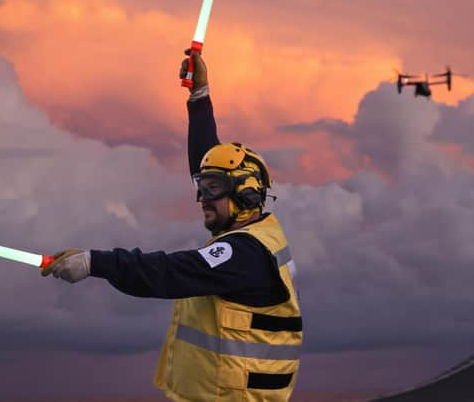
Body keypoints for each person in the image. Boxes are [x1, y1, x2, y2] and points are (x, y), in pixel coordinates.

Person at [41, 50, 302, 402]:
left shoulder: (244, 254)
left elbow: (168, 272)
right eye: (201, 187)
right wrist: (199, 98)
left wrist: (95, 262)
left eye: (213, 189)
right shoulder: (256, 235)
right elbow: (207, 161)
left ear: (247, 194)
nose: (202, 198)